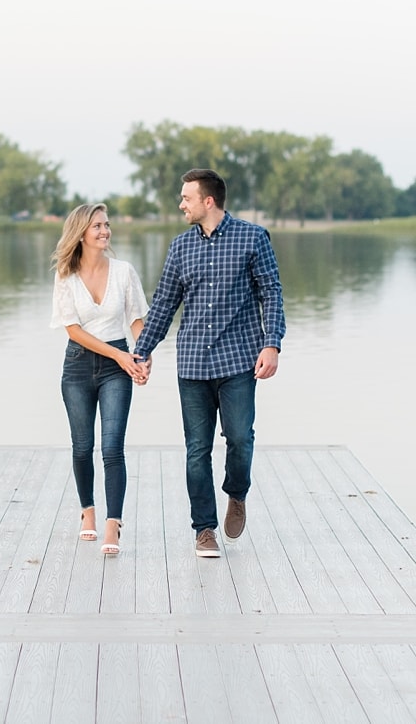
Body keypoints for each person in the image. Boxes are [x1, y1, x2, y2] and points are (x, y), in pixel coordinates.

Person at [133, 169, 285, 558]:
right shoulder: (180, 247)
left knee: (240, 438)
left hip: (238, 360)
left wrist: (272, 344)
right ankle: (204, 528)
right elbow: (165, 303)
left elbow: (272, 293)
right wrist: (143, 351)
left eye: (186, 198)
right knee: (196, 449)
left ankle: (237, 493)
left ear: (208, 201)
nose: (181, 204)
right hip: (194, 365)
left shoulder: (253, 238)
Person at [50, 203, 150, 557]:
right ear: (81, 233)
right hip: (78, 367)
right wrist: (119, 355)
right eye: (97, 226)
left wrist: (143, 353)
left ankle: (113, 523)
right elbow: (73, 331)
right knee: (81, 446)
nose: (105, 231)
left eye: (107, 225)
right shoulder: (65, 275)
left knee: (112, 448)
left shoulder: (124, 272)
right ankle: (87, 512)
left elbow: (137, 319)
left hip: (117, 368)